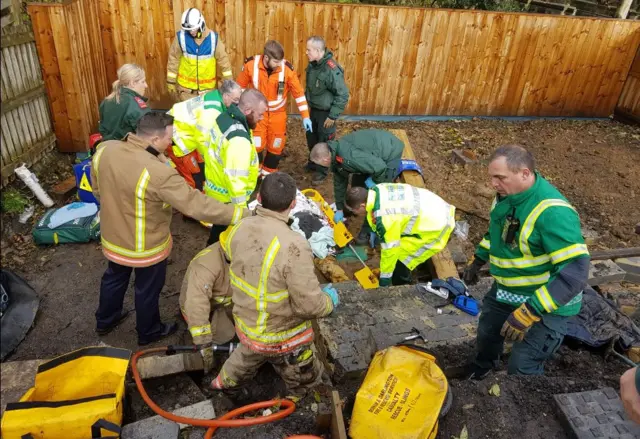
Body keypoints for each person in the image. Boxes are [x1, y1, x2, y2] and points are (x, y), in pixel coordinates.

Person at [91, 112, 246, 345]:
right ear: (153, 140)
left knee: (114, 277)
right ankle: (149, 330)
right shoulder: (158, 173)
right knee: (147, 288)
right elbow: (196, 204)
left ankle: (106, 319)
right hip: (146, 246)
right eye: (168, 138)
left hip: (113, 237)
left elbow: (98, 189)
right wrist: (239, 213)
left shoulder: (105, 149)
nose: (171, 143)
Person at [463, 145, 590, 378]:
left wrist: (530, 311)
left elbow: (576, 271)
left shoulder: (552, 211)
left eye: (499, 178)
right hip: (507, 290)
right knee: (488, 335)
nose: (493, 184)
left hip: (546, 302)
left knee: (522, 365)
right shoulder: (506, 197)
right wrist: (477, 261)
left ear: (524, 173)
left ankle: (524, 399)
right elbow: (497, 234)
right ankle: (481, 373)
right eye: (491, 177)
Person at [211, 172, 339, 397]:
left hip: (246, 324)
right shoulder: (294, 245)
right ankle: (302, 401)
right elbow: (309, 306)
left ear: (259, 198)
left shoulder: (239, 228)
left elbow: (232, 256)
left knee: (246, 356)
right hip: (281, 336)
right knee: (308, 380)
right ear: (292, 203)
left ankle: (220, 386)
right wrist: (328, 301)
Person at [345, 183, 456, 287]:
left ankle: (402, 285)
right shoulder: (377, 189)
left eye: (354, 211)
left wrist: (385, 280)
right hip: (436, 207)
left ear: (362, 205)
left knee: (401, 260)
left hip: (436, 227)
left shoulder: (384, 218)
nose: (355, 214)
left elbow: (391, 251)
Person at [309, 129, 404, 243]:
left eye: (321, 164)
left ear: (325, 159)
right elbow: (339, 182)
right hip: (372, 156)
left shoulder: (349, 158)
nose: (322, 167)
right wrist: (339, 209)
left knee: (374, 198)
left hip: (389, 154)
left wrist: (374, 183)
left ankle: (368, 232)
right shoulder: (335, 155)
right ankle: (350, 209)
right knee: (357, 186)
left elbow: (380, 168)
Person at [236, 40, 311, 175]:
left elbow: (298, 94)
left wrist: (306, 116)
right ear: (266, 58)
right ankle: (255, 174)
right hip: (257, 116)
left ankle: (268, 174)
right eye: (276, 62)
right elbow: (239, 89)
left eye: (280, 61)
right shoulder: (250, 66)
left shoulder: (287, 70)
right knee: (256, 144)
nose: (279, 65)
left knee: (276, 146)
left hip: (278, 116)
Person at [203, 89, 267, 246]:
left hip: (216, 188)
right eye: (259, 114)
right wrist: (241, 212)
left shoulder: (224, 117)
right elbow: (235, 178)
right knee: (223, 236)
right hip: (229, 198)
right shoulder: (238, 139)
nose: (262, 118)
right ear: (247, 110)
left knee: (218, 229)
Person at [168, 80, 243, 190]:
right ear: (226, 96)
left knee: (201, 170)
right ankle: (191, 202)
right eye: (235, 100)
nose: (237, 103)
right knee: (194, 179)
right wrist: (214, 159)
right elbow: (203, 139)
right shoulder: (212, 111)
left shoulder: (216, 96)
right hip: (178, 139)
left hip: (185, 132)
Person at [179, 241, 235, 373]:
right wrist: (204, 343)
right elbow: (196, 304)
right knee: (225, 336)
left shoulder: (248, 256)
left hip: (225, 305)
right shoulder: (206, 265)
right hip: (202, 309)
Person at [304, 36, 350, 184]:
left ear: (318, 51)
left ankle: (322, 171)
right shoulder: (313, 65)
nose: (306, 52)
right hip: (314, 111)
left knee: (324, 142)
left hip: (326, 114)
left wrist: (333, 116)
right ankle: (313, 162)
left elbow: (342, 94)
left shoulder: (331, 70)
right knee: (311, 137)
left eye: (309, 50)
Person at [166, 8, 233, 102]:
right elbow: (173, 59)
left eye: (193, 29)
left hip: (208, 93)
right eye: (188, 30)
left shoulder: (213, 39)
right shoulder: (180, 38)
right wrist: (170, 81)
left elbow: (224, 62)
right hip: (185, 93)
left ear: (201, 24)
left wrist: (228, 85)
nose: (191, 32)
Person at [98, 63, 149, 142]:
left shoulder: (107, 101)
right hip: (128, 150)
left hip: (108, 148)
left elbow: (102, 129)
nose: (146, 85)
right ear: (133, 83)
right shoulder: (136, 105)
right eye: (143, 81)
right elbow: (149, 135)